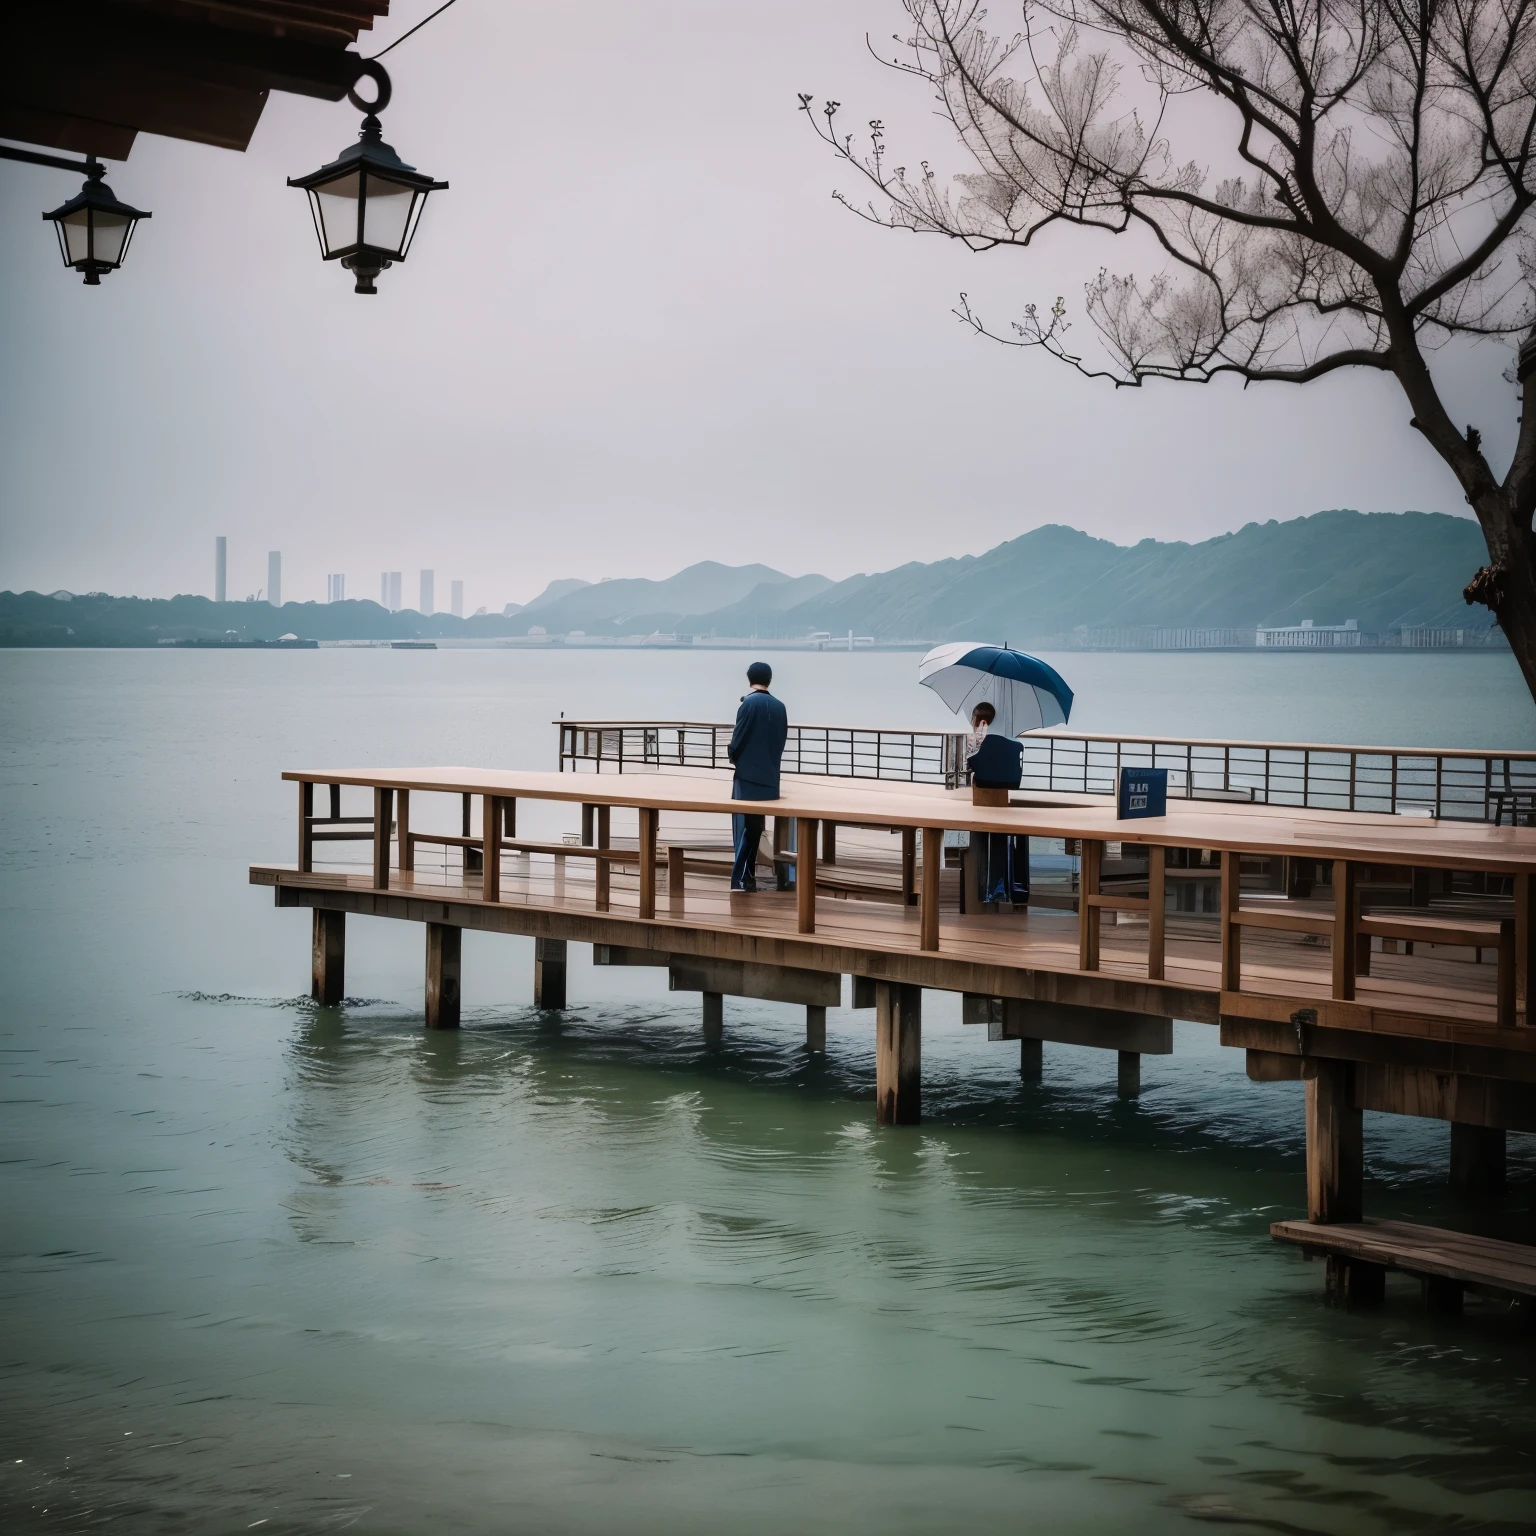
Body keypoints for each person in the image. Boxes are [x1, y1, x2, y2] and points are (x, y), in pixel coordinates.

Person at [728, 661, 788, 892]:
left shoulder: (748, 704)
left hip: (748, 777)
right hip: (771, 777)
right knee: (756, 826)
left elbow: (738, 739)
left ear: (749, 678)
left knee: (745, 828)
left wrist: (733, 756)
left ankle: (742, 878)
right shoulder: (780, 706)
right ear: (769, 679)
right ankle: (750, 878)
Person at [967, 719, 1030, 907]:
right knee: (999, 840)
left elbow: (971, 765)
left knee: (981, 841)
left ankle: (984, 889)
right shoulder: (1014, 745)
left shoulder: (979, 746)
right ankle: (999, 889)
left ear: (982, 723)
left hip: (982, 802)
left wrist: (975, 744)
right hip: (1004, 800)